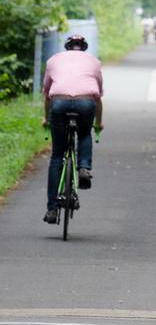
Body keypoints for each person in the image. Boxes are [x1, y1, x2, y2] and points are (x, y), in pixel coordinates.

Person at [41, 35, 104, 224]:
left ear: (67, 48)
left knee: (57, 155)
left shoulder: (54, 60)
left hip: (59, 104)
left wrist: (47, 119)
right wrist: (98, 123)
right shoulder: (94, 62)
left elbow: (47, 95)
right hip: (86, 103)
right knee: (84, 133)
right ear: (84, 48)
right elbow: (98, 97)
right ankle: (83, 167)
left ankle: (52, 210)